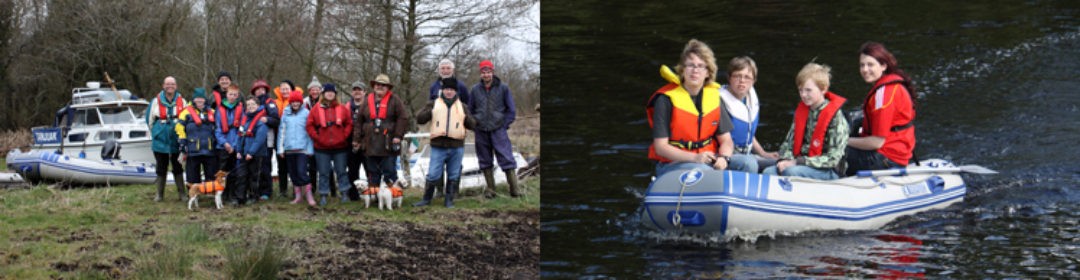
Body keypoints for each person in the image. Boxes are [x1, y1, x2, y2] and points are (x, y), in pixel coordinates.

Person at [646, 39, 735, 177]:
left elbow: (726, 140)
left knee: (747, 163)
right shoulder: (665, 100)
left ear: (708, 72)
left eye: (701, 66)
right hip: (672, 164)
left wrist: (724, 158)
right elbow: (660, 147)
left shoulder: (714, 98)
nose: (695, 70)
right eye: (690, 65)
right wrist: (695, 158)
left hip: (709, 159)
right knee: (706, 172)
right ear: (682, 70)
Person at [763, 62, 849, 180]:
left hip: (827, 170)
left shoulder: (835, 117)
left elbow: (833, 159)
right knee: (768, 172)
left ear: (823, 89)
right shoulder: (802, 111)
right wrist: (785, 160)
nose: (803, 95)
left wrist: (797, 162)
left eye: (808, 90)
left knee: (791, 172)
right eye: (800, 90)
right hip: (800, 164)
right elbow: (788, 144)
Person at [846, 42, 917, 175]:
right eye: (862, 65)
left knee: (834, 150)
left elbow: (876, 142)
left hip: (887, 159)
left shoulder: (884, 96)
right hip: (898, 151)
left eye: (870, 64)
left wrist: (843, 141)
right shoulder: (889, 86)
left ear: (883, 66)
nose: (865, 70)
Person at [415, 77, 476, 208]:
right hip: (438, 145)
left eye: (452, 90)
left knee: (454, 174)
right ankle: (426, 199)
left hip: (456, 146)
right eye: (446, 89)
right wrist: (428, 111)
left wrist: (468, 119)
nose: (449, 92)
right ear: (442, 90)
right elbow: (419, 119)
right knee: (433, 174)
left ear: (456, 92)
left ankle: (449, 200)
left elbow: (473, 125)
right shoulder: (433, 104)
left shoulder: (463, 107)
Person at [470, 60, 522, 198]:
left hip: (498, 129)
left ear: (492, 72)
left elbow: (511, 110)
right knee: (485, 160)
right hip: (481, 130)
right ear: (480, 74)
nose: (486, 74)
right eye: (483, 72)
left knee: (506, 158)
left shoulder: (503, 88)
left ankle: (514, 189)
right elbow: (470, 110)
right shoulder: (475, 90)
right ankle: (491, 190)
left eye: (488, 72)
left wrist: (504, 125)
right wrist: (474, 125)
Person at [720, 56, 779, 173]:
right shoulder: (720, 100)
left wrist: (763, 153)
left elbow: (748, 132)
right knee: (749, 164)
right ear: (729, 78)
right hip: (726, 156)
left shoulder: (750, 99)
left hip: (747, 153)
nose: (742, 81)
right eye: (737, 76)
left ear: (753, 81)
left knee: (779, 162)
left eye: (747, 77)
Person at [354, 74, 409, 193]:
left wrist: (398, 136)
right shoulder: (367, 100)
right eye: (378, 84)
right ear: (374, 86)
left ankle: (394, 195)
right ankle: (374, 195)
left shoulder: (395, 100)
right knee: (372, 171)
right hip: (369, 142)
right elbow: (359, 121)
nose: (380, 87)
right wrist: (356, 139)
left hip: (388, 141)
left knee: (389, 170)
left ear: (388, 87)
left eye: (383, 85)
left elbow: (403, 118)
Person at [306, 83, 353, 206]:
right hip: (322, 147)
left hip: (340, 147)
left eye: (332, 92)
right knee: (323, 172)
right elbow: (309, 125)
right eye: (327, 92)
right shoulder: (316, 109)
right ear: (323, 94)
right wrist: (317, 137)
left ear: (335, 94)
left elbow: (349, 123)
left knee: (342, 171)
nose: (330, 94)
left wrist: (344, 136)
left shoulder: (342, 108)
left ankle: (344, 193)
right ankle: (323, 194)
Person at [146, 76, 187, 202]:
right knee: (161, 167)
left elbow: (187, 118)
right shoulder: (155, 101)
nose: (170, 86)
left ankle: (182, 194)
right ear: (163, 86)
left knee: (178, 166)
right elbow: (149, 120)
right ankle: (159, 194)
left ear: (176, 86)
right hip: (160, 139)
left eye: (173, 84)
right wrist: (157, 133)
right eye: (168, 84)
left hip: (176, 139)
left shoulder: (182, 101)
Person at [278, 89, 315, 206]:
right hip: (289, 149)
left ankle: (309, 196)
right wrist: (280, 149)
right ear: (290, 102)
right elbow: (281, 132)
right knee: (293, 173)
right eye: (293, 102)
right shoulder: (285, 113)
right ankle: (298, 196)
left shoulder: (306, 113)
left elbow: (309, 133)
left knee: (302, 172)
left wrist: (310, 149)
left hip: (302, 149)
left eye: (297, 102)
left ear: (300, 102)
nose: (295, 104)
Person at [175, 88, 218, 187]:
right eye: (197, 98)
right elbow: (179, 126)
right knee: (192, 176)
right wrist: (182, 141)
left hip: (209, 149)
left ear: (205, 99)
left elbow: (218, 127)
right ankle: (193, 196)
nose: (199, 100)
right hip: (193, 149)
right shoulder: (186, 112)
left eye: (201, 98)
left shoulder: (212, 112)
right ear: (193, 99)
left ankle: (210, 195)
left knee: (211, 175)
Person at [235, 97, 271, 205]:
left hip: (256, 154)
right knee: (241, 175)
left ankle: (253, 196)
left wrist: (251, 152)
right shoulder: (245, 120)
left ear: (258, 105)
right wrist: (238, 150)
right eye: (248, 105)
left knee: (254, 176)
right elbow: (240, 136)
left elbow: (259, 140)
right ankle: (240, 197)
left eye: (253, 105)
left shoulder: (261, 121)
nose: (250, 107)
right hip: (244, 153)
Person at [251, 80, 280, 200]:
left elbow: (276, 120)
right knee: (255, 166)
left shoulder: (271, 103)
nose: (260, 91)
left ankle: (266, 192)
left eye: (262, 89)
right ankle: (255, 190)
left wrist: (266, 120)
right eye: (257, 89)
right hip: (254, 141)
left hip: (267, 140)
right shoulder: (252, 104)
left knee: (265, 167)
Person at [214, 84, 244, 203]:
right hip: (223, 146)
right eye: (230, 94)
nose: (232, 97)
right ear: (227, 94)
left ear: (238, 96)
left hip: (235, 144)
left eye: (235, 95)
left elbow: (241, 128)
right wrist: (225, 143)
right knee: (222, 172)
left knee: (234, 172)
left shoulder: (241, 109)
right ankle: (221, 195)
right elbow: (217, 129)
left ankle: (232, 195)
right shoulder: (220, 109)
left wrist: (235, 145)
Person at [345, 81, 367, 201]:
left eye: (359, 89)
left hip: (367, 142)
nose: (357, 92)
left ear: (364, 92)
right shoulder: (347, 107)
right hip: (351, 143)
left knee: (370, 169)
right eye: (355, 90)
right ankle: (353, 195)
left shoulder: (370, 106)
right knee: (352, 170)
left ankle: (372, 193)